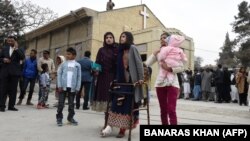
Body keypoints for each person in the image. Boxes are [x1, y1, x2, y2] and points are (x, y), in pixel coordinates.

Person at [101, 31, 144, 138]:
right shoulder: (120, 50)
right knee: (116, 103)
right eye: (121, 36)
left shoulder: (133, 48)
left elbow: (139, 64)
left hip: (131, 83)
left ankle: (122, 130)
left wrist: (141, 79)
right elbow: (117, 67)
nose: (121, 38)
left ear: (129, 38)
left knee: (126, 106)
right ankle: (110, 126)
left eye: (124, 36)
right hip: (120, 81)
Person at [145, 32, 184, 125]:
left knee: (171, 110)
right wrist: (153, 54)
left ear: (170, 40)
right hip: (160, 84)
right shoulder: (159, 53)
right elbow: (147, 64)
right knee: (163, 110)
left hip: (173, 84)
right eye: (161, 38)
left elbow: (182, 67)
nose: (162, 39)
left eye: (165, 38)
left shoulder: (175, 51)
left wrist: (169, 68)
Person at [92, 32, 118, 112]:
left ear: (113, 39)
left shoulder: (117, 49)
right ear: (104, 39)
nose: (108, 39)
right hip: (102, 77)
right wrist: (96, 71)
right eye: (107, 38)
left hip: (113, 76)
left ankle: (111, 116)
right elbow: (97, 62)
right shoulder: (101, 50)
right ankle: (106, 117)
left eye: (110, 37)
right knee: (104, 96)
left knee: (111, 96)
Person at [56, 47, 81, 126]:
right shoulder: (63, 64)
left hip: (72, 88)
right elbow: (59, 74)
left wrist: (77, 87)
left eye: (69, 54)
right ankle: (59, 118)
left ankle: (70, 118)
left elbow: (79, 77)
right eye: (66, 54)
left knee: (71, 104)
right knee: (60, 104)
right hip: (63, 87)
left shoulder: (77, 65)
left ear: (74, 55)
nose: (67, 55)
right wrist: (59, 85)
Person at [0, 36, 25, 112]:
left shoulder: (19, 49)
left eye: (12, 41)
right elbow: (0, 58)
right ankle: (2, 106)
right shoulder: (4, 49)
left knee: (13, 90)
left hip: (14, 73)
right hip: (5, 72)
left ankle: (11, 106)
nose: (10, 42)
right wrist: (3, 59)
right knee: (3, 90)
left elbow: (22, 57)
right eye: (9, 41)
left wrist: (16, 48)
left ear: (15, 41)